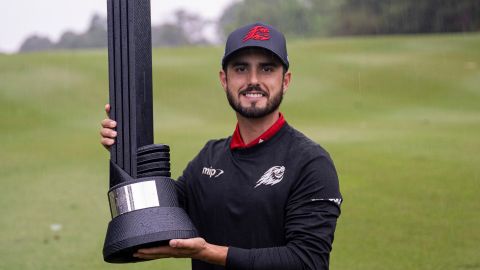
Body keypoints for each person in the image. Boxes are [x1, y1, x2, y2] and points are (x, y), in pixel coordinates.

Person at [100, 22, 342, 270]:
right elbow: (152, 217)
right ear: (224, 80)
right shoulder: (208, 159)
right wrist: (123, 151)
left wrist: (208, 252)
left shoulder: (311, 163)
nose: (253, 80)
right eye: (241, 69)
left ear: (286, 80)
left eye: (267, 69)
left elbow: (307, 261)